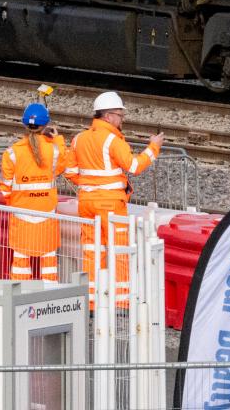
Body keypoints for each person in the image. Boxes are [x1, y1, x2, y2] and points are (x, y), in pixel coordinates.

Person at [70, 91, 163, 307]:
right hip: (110, 203)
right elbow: (134, 166)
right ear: (109, 116)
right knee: (119, 250)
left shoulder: (78, 139)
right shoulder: (112, 140)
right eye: (120, 115)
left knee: (92, 251)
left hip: (86, 202)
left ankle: (92, 303)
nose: (122, 120)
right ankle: (121, 303)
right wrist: (154, 147)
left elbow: (70, 170)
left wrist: (89, 186)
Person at [0, 102, 75, 282]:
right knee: (49, 259)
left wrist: (15, 206)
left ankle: (19, 294)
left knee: (20, 260)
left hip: (20, 215)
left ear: (24, 124)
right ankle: (49, 293)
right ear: (46, 125)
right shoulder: (53, 151)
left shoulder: (11, 153)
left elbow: (5, 189)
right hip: (47, 214)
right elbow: (64, 165)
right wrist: (57, 139)